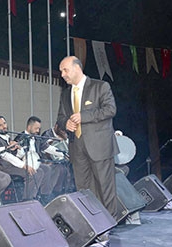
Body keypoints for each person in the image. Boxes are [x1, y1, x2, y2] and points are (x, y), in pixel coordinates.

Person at [57, 56, 122, 221]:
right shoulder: (65, 93)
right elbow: (61, 117)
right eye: (61, 71)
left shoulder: (100, 86)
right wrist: (66, 124)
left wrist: (83, 116)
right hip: (76, 147)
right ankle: (93, 224)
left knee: (105, 188)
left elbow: (110, 110)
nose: (62, 74)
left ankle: (110, 223)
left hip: (100, 146)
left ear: (77, 68)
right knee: (83, 189)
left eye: (65, 70)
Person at [16, 116, 73, 203]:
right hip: (25, 164)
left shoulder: (37, 137)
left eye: (39, 128)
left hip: (36, 163)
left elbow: (47, 147)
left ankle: (45, 195)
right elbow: (18, 155)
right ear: (29, 127)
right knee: (40, 172)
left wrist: (63, 153)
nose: (38, 131)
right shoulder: (20, 138)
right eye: (36, 128)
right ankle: (29, 198)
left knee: (47, 169)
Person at [0, 115, 38, 201]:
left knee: (38, 171)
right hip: (3, 168)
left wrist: (18, 148)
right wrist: (24, 165)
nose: (4, 126)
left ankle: (34, 197)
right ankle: (26, 200)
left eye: (4, 123)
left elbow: (17, 156)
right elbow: (7, 156)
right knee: (30, 174)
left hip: (11, 166)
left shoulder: (8, 138)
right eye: (0, 125)